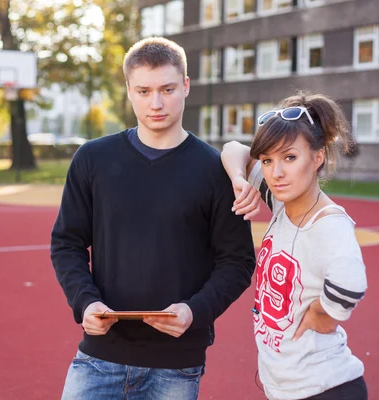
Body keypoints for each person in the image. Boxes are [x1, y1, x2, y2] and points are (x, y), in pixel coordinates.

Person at [50, 36, 256, 399]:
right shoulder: (92, 159)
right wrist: (84, 301)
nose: (156, 103)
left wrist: (195, 311)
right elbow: (66, 243)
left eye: (167, 89)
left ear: (186, 86)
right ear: (128, 90)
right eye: (143, 91)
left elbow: (237, 261)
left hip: (176, 365)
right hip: (100, 358)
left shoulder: (215, 170)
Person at [221, 92, 368, 400]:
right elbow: (233, 149)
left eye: (290, 158)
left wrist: (321, 313)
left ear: (318, 157)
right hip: (290, 388)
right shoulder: (280, 203)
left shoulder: (328, 223)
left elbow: (351, 283)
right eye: (267, 161)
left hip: (325, 388)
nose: (276, 173)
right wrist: (240, 179)